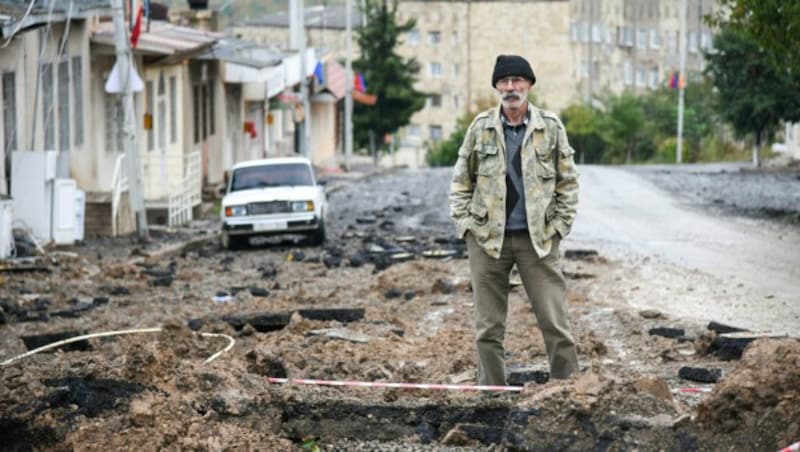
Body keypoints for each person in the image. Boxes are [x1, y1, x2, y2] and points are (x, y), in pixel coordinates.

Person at [449, 54, 580, 385]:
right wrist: (466, 227)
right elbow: (461, 182)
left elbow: (568, 182)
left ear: (529, 85)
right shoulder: (480, 129)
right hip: (487, 241)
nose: (511, 88)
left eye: (517, 81)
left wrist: (560, 227)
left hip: (537, 240)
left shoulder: (550, 127)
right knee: (488, 329)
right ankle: (492, 396)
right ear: (496, 87)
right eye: (504, 82)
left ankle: (568, 392)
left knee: (555, 322)